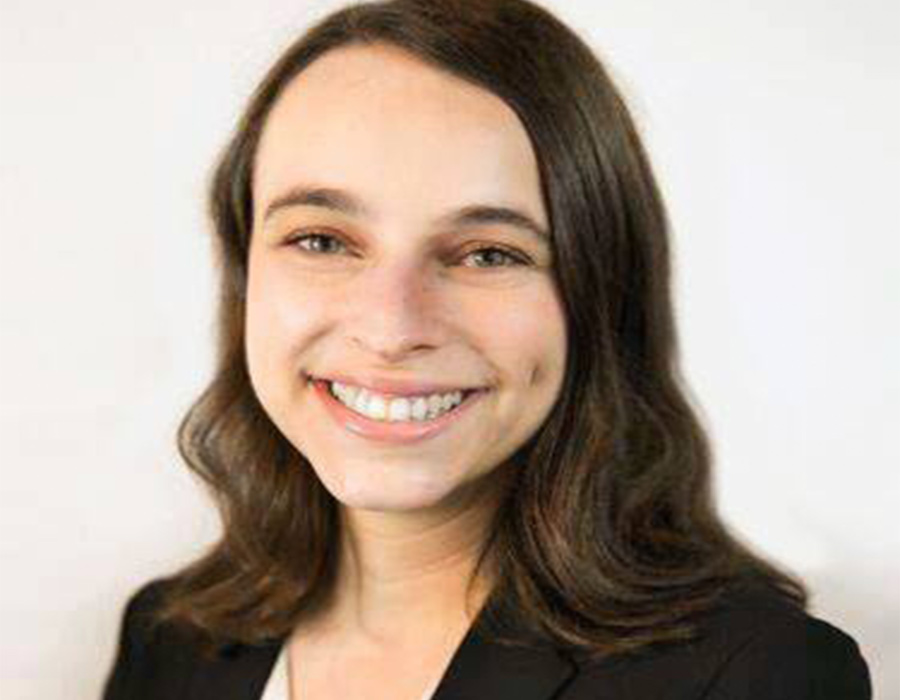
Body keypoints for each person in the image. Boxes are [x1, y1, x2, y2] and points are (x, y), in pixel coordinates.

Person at [100, 1, 873, 698]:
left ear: (599, 295)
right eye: (322, 239)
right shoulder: (170, 641)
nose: (393, 327)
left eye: (488, 254)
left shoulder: (759, 677)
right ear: (245, 274)